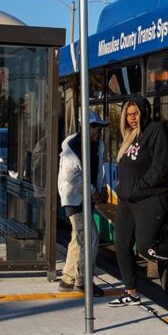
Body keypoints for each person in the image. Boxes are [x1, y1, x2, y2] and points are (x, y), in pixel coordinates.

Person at [108, 98, 168, 307]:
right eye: (128, 115)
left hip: (149, 198)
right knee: (121, 245)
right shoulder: (129, 136)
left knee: (146, 248)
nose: (132, 118)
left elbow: (160, 167)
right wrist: (124, 188)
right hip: (127, 201)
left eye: (135, 114)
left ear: (144, 112)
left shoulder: (155, 130)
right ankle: (131, 292)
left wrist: (140, 186)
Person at [57, 111, 108, 296]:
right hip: (74, 198)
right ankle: (83, 281)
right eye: (96, 128)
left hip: (87, 197)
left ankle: (67, 279)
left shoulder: (98, 145)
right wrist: (94, 192)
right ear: (86, 127)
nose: (99, 132)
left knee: (77, 239)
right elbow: (73, 177)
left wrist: (102, 187)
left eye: (100, 128)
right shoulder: (71, 146)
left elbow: (99, 169)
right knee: (90, 238)